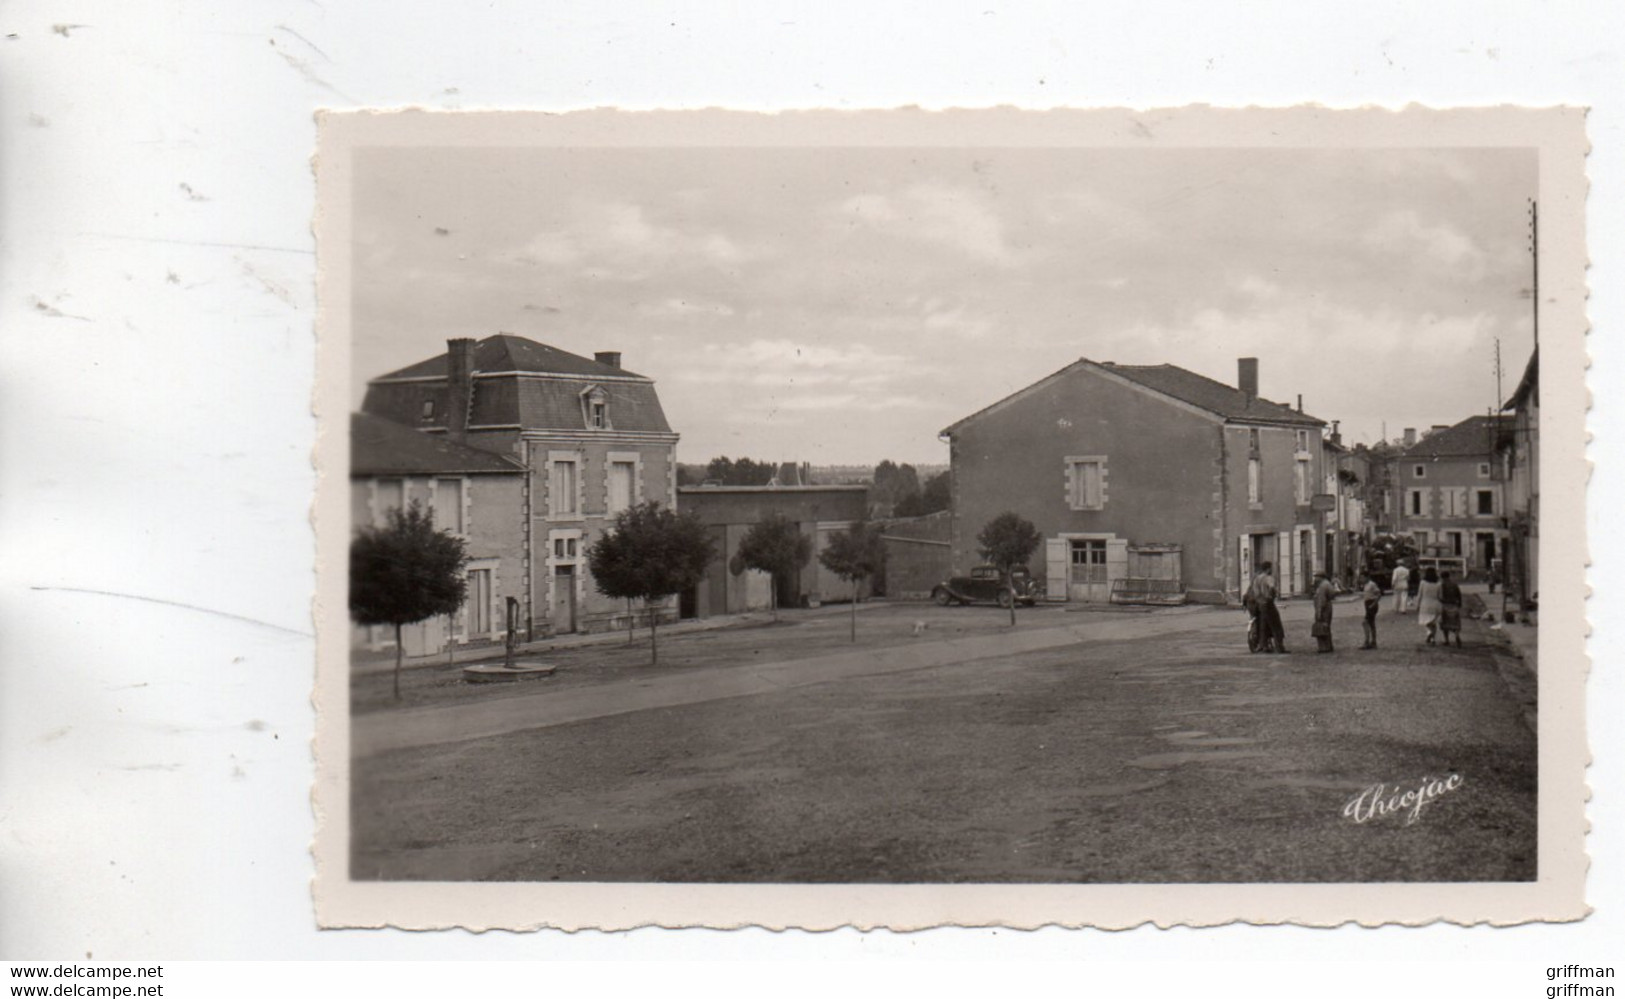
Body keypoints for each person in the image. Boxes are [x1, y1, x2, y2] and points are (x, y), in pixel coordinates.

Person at [1253, 561, 1286, 653]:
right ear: (1268, 569)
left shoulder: (1257, 579)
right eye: (1271, 568)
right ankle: (1279, 646)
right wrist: (1274, 594)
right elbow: (1271, 587)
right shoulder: (1268, 578)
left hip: (1260, 603)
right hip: (1268, 602)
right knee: (1276, 625)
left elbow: (1255, 592)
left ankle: (1263, 645)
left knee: (1263, 625)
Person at [1415, 566, 1443, 645]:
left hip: (1425, 604)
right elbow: (1440, 596)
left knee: (1426, 621)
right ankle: (1433, 639)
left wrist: (1417, 605)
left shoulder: (1423, 583)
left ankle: (1429, 632)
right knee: (1433, 623)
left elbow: (1419, 595)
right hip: (1435, 604)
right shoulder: (1438, 584)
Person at [1311, 569, 1336, 653]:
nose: (1315, 578)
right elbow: (1332, 594)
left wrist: (1319, 612)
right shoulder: (1327, 584)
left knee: (1321, 627)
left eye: (1316, 577)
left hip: (1324, 608)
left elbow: (1321, 601)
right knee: (1326, 627)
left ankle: (1323, 647)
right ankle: (1328, 646)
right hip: (1328, 607)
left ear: (1320, 577)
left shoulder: (1322, 586)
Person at [1439, 570, 1464, 648]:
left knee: (1445, 623)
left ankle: (1446, 640)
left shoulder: (1441, 585)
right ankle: (1457, 635)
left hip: (1445, 604)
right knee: (1455, 622)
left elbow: (1440, 596)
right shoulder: (1454, 584)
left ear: (1442, 577)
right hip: (1454, 604)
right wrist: (1459, 603)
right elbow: (1459, 595)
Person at [1360, 571, 1382, 649]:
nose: (1361, 579)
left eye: (1362, 577)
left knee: (1365, 622)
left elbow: (1379, 594)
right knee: (1371, 624)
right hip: (1367, 604)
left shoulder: (1372, 584)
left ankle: (1366, 642)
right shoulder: (1365, 585)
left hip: (1372, 605)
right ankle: (1373, 642)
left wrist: (1373, 604)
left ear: (1367, 577)